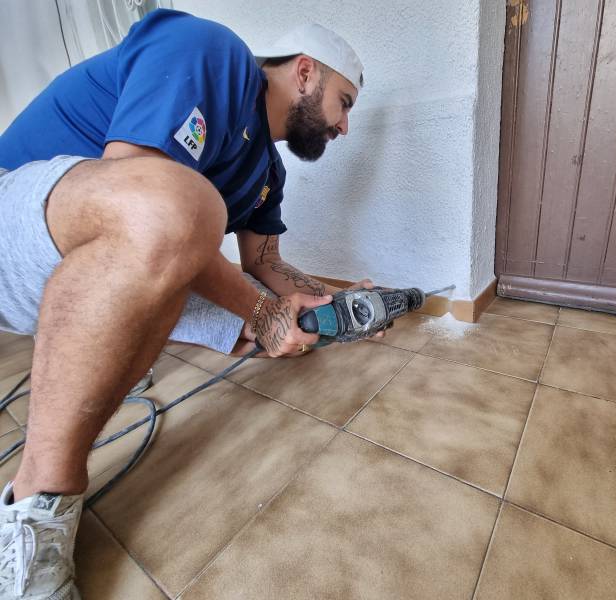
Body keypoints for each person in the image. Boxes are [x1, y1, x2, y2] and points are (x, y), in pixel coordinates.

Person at [0, 9, 374, 598]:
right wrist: (259, 310)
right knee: (181, 208)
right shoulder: (209, 52)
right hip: (19, 220)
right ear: (305, 73)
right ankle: (36, 505)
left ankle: (115, 343)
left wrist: (328, 298)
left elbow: (264, 265)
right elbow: (141, 197)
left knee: (274, 335)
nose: (345, 126)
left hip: (108, 249)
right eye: (345, 103)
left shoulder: (269, 171)